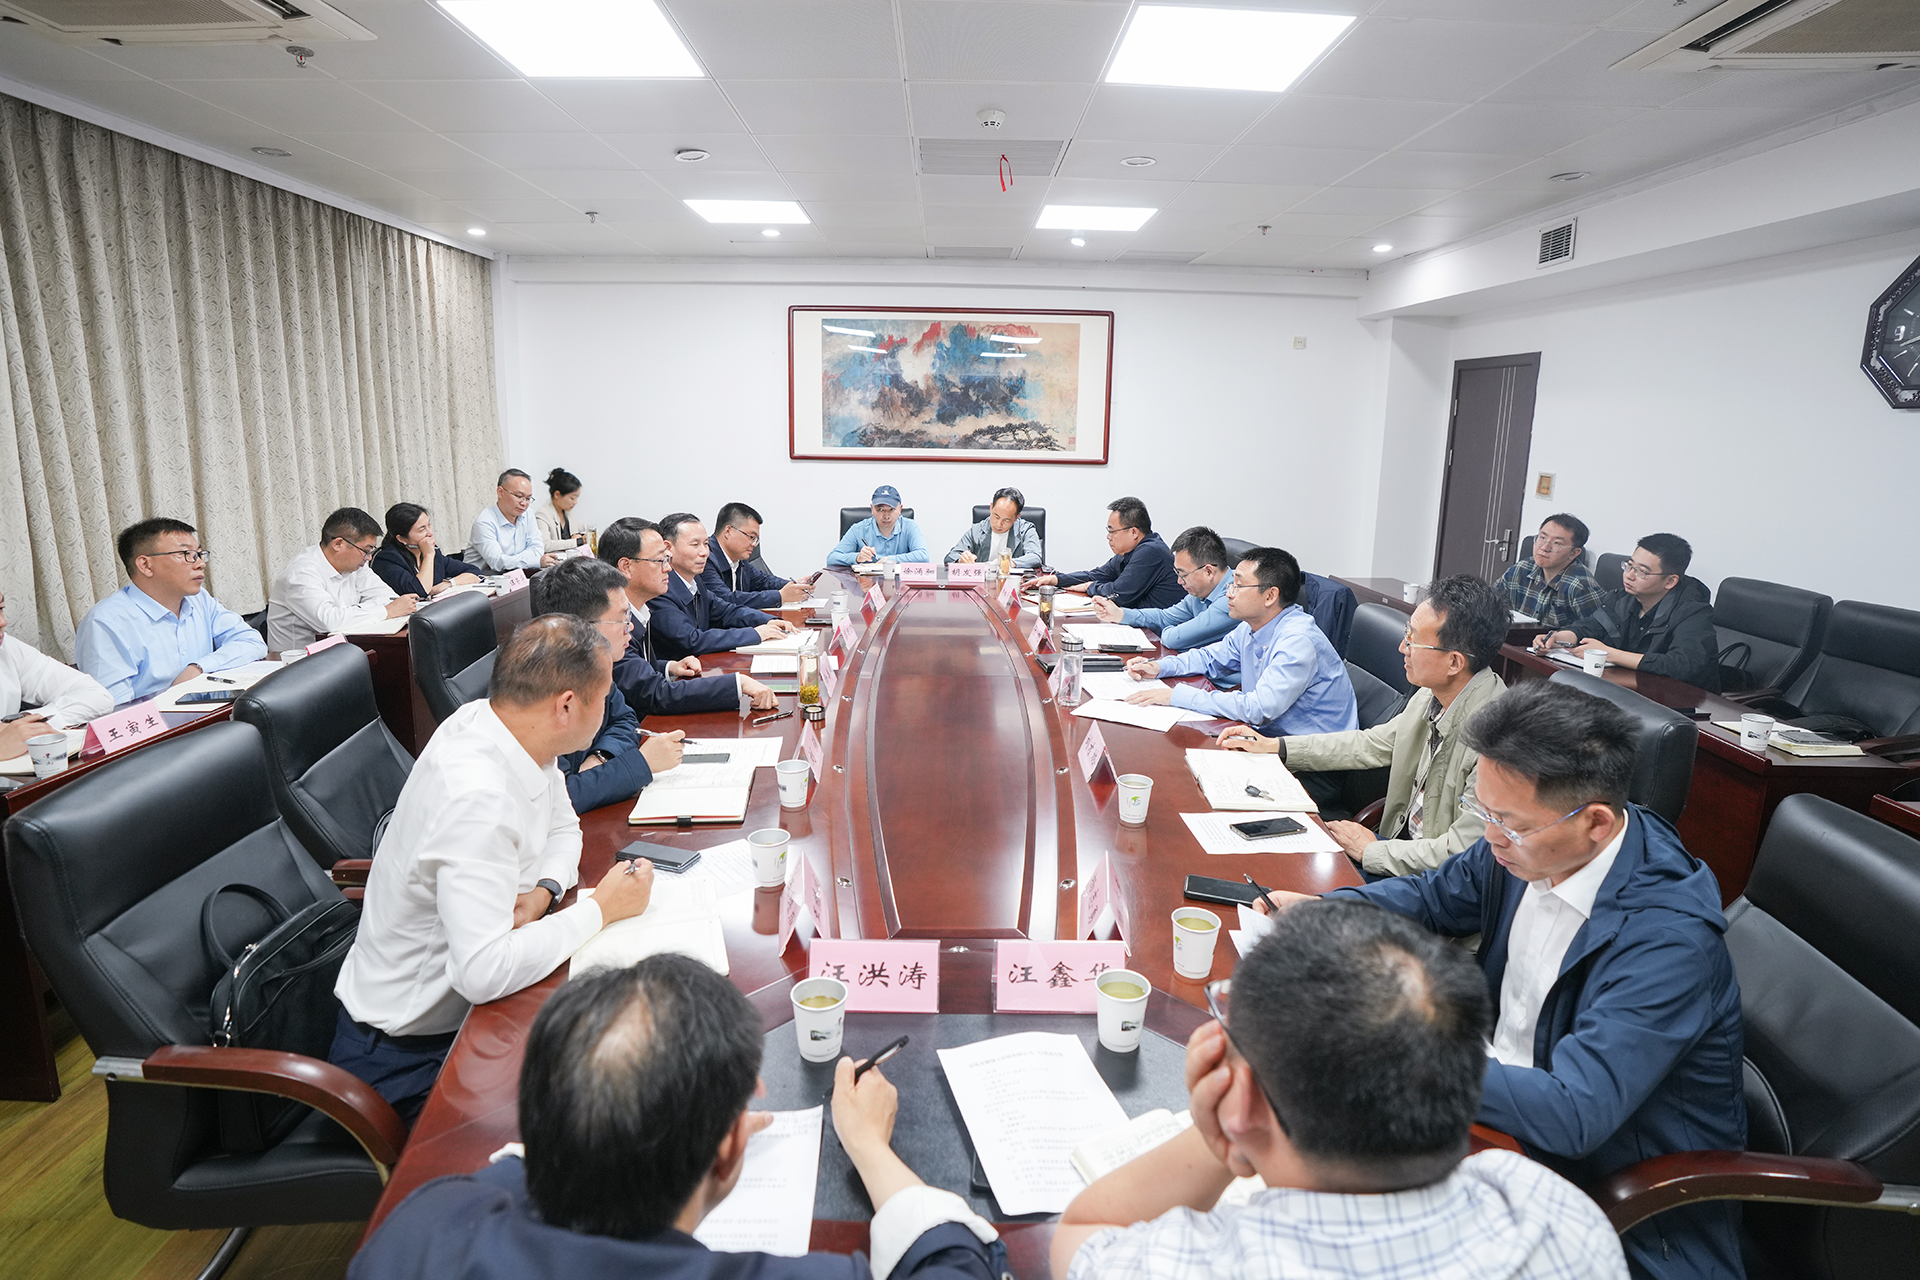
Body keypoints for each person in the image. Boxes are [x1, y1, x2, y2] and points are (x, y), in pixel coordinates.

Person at [1262, 680, 1746, 1280]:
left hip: (1619, 1209)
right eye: (1483, 812)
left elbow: (1574, 1111)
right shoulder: (1531, 842)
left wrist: (1396, 1059)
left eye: (1507, 823)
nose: (1490, 837)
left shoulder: (1666, 940)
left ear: (1596, 823)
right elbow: (1433, 898)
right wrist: (1322, 911)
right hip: (1497, 1111)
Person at [1053, 899, 1626, 1280]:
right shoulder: (1555, 1210)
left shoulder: (1195, 1265)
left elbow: (1080, 1235)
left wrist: (1218, 1140)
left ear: (1243, 1101)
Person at [351, 956, 1007, 1280]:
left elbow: (508, 1174)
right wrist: (868, 1146)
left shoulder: (421, 1226)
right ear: (728, 1151)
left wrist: (602, 1121)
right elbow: (955, 1262)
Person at [331, 616, 656, 1124]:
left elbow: (564, 827)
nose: (609, 706)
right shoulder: (476, 796)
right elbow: (483, 973)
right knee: (607, 1108)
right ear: (566, 706)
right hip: (408, 1058)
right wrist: (601, 910)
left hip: (472, 1016)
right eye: (603, 696)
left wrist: (545, 892)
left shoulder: (507, 726)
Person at [1221, 575, 1508, 877]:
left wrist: (1372, 851)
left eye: (1413, 640)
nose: (1402, 647)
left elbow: (1463, 852)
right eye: (1406, 633)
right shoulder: (1432, 694)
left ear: (1454, 663)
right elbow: (1371, 744)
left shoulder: (1499, 741)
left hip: (1432, 878)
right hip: (1396, 850)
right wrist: (1277, 747)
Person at [1123, 547, 1357, 737]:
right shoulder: (1251, 626)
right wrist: (1159, 667)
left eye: (1238, 586)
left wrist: (1177, 696)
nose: (1229, 593)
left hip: (1310, 759)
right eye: (1230, 585)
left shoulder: (1297, 640)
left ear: (1270, 596)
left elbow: (1259, 708)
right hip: (1268, 739)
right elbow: (1210, 658)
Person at [539, 556, 687, 814]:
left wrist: (601, 757)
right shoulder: (541, 689)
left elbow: (626, 719)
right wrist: (642, 763)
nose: (630, 626)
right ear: (583, 627)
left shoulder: (594, 666)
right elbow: (559, 799)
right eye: (621, 618)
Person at [596, 518, 779, 718]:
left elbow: (637, 671)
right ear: (626, 567)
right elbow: (655, 692)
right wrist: (737, 683)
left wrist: (669, 667)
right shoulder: (610, 624)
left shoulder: (639, 611)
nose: (668, 568)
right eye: (660, 560)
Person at [74, 517, 268, 703]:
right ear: (145, 565)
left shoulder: (199, 599)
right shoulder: (106, 623)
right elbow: (115, 709)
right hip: (154, 723)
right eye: (186, 555)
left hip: (207, 715)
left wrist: (198, 668)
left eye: (199, 554)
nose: (200, 564)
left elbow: (251, 642)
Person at [1534, 533, 1720, 691]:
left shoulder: (1694, 612)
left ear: (1670, 581)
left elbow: (1681, 666)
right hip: (1630, 689)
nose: (1629, 575)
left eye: (1642, 572)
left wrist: (1609, 653)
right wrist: (1558, 638)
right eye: (1629, 566)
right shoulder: (1622, 598)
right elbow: (1590, 627)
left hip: (1682, 700)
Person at [648, 513, 799, 660]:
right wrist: (756, 633)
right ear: (668, 548)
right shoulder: (659, 589)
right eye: (695, 545)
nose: (704, 552)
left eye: (706, 544)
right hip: (679, 673)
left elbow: (726, 611)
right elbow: (691, 640)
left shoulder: (695, 581)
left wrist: (767, 620)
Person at [267, 507, 418, 652]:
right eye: (366, 551)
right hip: (299, 661)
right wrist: (385, 611)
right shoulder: (301, 573)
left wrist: (355, 613)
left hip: (343, 650)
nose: (369, 557)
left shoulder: (356, 566)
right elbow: (329, 622)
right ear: (338, 544)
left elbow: (388, 597)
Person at [1, 589, 113, 758]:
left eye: (1, 608)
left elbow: (98, 696)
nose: (3, 622)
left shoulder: (8, 648)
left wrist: (23, 725)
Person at [1091, 525, 1233, 651]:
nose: (1179, 581)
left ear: (1209, 572)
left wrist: (1171, 630)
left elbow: (1173, 639)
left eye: (1183, 574)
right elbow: (1165, 617)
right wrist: (1120, 614)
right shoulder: (1200, 593)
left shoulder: (1233, 597)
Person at [1030, 497, 1181, 610]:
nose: (1108, 537)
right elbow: (1096, 575)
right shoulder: (1128, 552)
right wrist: (1056, 580)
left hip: (1158, 633)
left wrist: (1090, 587)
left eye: (1112, 531)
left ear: (1134, 532)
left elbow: (1118, 594)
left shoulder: (1151, 551)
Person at [1498, 514, 1607, 631]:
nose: (1544, 547)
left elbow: (1598, 631)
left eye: (1556, 543)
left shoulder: (1580, 587)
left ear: (1574, 553)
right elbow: (1491, 603)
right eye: (1542, 538)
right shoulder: (1521, 569)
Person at [702, 501, 815, 609]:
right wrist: (780, 596)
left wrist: (794, 585)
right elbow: (725, 599)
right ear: (728, 531)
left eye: (756, 539)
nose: (754, 544)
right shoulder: (705, 559)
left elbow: (763, 581)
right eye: (751, 537)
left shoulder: (739, 559)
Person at [371, 503, 484, 599]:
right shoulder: (386, 559)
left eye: (429, 525)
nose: (430, 533)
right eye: (422, 530)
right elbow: (419, 590)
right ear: (401, 538)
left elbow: (474, 571)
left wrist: (449, 583)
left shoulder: (434, 552)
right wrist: (428, 555)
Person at [471, 469, 559, 573]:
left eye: (528, 498)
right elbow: (497, 562)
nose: (524, 503)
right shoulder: (484, 522)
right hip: (484, 578)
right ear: (500, 492)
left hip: (517, 574)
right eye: (518, 496)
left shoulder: (528, 514)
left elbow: (537, 548)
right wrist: (534, 561)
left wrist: (513, 561)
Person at [944, 487, 1042, 572]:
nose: (999, 524)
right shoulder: (977, 530)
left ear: (1017, 517)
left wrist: (1008, 563)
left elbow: (1035, 557)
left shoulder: (1025, 530)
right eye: (996, 516)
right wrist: (961, 559)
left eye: (1006, 520)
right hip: (983, 583)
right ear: (991, 507)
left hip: (1013, 583)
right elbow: (951, 556)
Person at [826, 485, 930, 566]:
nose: (886, 516)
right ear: (872, 509)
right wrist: (857, 557)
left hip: (900, 584)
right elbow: (831, 558)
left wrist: (889, 560)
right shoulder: (858, 529)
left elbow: (924, 556)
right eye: (880, 509)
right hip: (866, 584)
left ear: (900, 509)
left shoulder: (910, 526)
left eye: (892, 509)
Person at [535, 467, 587, 553]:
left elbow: (585, 528)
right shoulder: (542, 515)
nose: (575, 502)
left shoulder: (567, 512)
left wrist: (584, 535)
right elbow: (545, 545)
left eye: (576, 498)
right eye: (572, 498)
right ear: (557, 494)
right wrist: (578, 542)